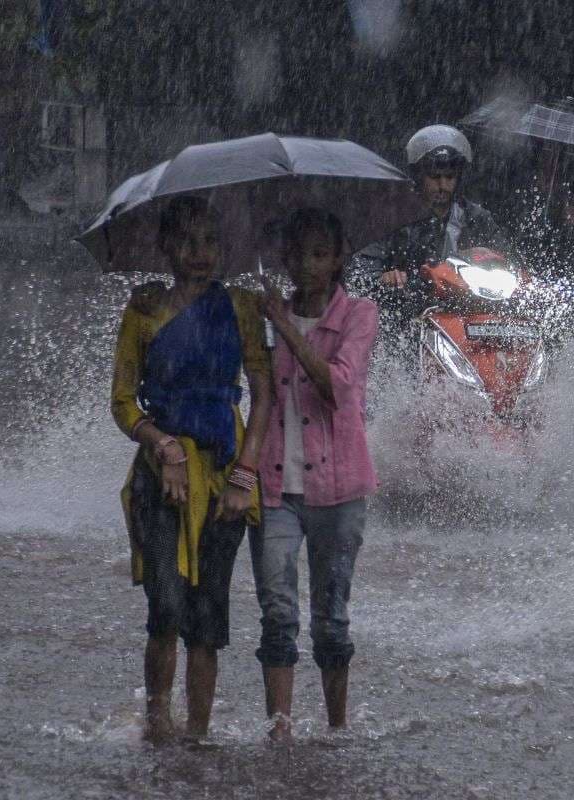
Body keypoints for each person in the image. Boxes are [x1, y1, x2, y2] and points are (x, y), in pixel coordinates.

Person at [110, 195, 271, 742]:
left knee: (208, 617)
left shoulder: (244, 308)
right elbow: (124, 403)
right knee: (166, 605)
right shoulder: (144, 310)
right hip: (161, 480)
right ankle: (158, 722)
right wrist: (164, 448)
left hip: (226, 477)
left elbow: (264, 396)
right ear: (165, 247)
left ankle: (198, 735)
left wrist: (246, 477)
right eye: (187, 241)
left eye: (209, 241)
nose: (199, 254)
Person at [252, 208, 379, 742]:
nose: (309, 265)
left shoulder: (358, 314)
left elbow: (338, 389)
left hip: (339, 490)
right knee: (278, 609)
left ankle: (335, 727)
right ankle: (280, 728)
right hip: (275, 487)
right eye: (300, 253)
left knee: (331, 615)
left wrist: (285, 328)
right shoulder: (261, 315)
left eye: (321, 253)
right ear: (286, 256)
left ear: (338, 259)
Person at [370, 125, 508, 296]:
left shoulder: (476, 218)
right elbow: (363, 269)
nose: (443, 185)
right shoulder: (394, 217)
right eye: (435, 177)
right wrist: (386, 278)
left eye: (449, 177)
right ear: (419, 176)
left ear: (459, 178)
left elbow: (508, 261)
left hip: (469, 305)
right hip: (409, 308)